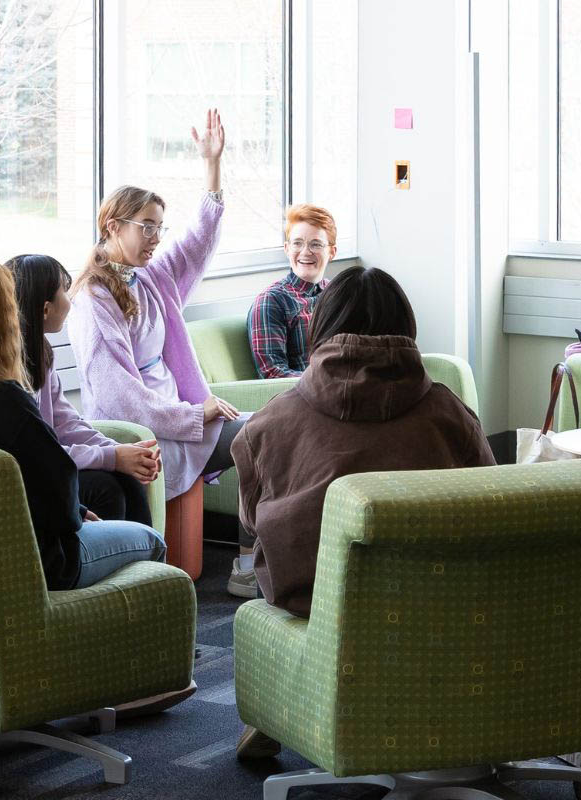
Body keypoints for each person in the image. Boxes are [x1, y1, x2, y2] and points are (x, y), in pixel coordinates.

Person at [232, 266, 495, 759]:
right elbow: (492, 502)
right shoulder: (448, 414)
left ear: (321, 328)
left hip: (313, 603)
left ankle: (286, 708)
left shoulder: (269, 424)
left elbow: (250, 520)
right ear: (406, 328)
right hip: (443, 603)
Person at [67, 108, 255, 598]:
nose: (155, 238)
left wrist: (212, 166)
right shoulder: (93, 298)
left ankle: (253, 561)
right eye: (146, 227)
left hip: (179, 419)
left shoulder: (151, 276)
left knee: (272, 430)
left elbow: (197, 243)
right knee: (263, 435)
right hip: (147, 429)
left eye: (159, 228)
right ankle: (252, 564)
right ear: (112, 225)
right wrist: (193, 413)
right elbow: (120, 398)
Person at [0, 253, 167, 590]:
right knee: (149, 540)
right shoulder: (4, 399)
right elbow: (59, 498)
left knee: (115, 489)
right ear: (0, 315)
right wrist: (81, 508)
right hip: (44, 561)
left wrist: (104, 467)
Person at [7, 254, 160, 525]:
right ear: (45, 309)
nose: (70, 299)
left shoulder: (40, 353)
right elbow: (41, 452)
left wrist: (122, 452)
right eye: (64, 292)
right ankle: (102, 559)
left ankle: (145, 564)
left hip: (48, 466)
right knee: (105, 488)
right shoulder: (8, 371)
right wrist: (112, 456)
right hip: (28, 477)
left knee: (128, 479)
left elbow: (67, 423)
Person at [247, 203, 338, 378]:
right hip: (307, 399)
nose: (305, 252)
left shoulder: (338, 293)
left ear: (332, 252)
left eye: (316, 244)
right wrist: (328, 385)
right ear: (287, 249)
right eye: (297, 243)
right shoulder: (271, 301)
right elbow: (273, 373)